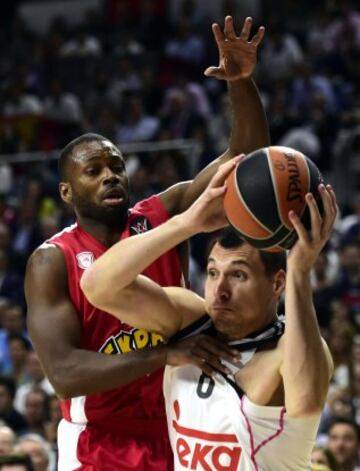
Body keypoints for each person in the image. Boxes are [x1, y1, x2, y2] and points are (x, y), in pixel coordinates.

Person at [25, 16, 268, 471]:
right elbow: (65, 375)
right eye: (93, 171)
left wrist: (240, 84)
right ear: (66, 192)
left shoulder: (165, 213)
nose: (110, 175)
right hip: (99, 445)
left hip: (180, 427)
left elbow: (246, 162)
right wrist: (163, 353)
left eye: (116, 165)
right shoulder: (51, 260)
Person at [81, 157, 337, 470]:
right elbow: (97, 285)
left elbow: (308, 402)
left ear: (277, 283)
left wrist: (299, 270)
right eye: (213, 273)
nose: (220, 290)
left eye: (239, 275)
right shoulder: (191, 321)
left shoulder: (288, 350)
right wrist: (186, 223)